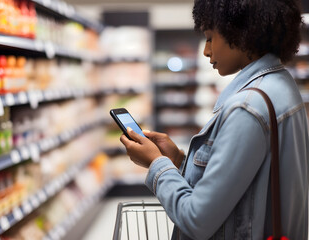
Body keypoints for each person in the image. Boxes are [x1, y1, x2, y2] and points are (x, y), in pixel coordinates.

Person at [119, 0, 308, 239]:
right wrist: (177, 160)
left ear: (242, 33)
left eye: (210, 38)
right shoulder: (282, 85)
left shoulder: (247, 108)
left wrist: (157, 164)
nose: (206, 51)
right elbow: (242, 180)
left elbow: (196, 220)